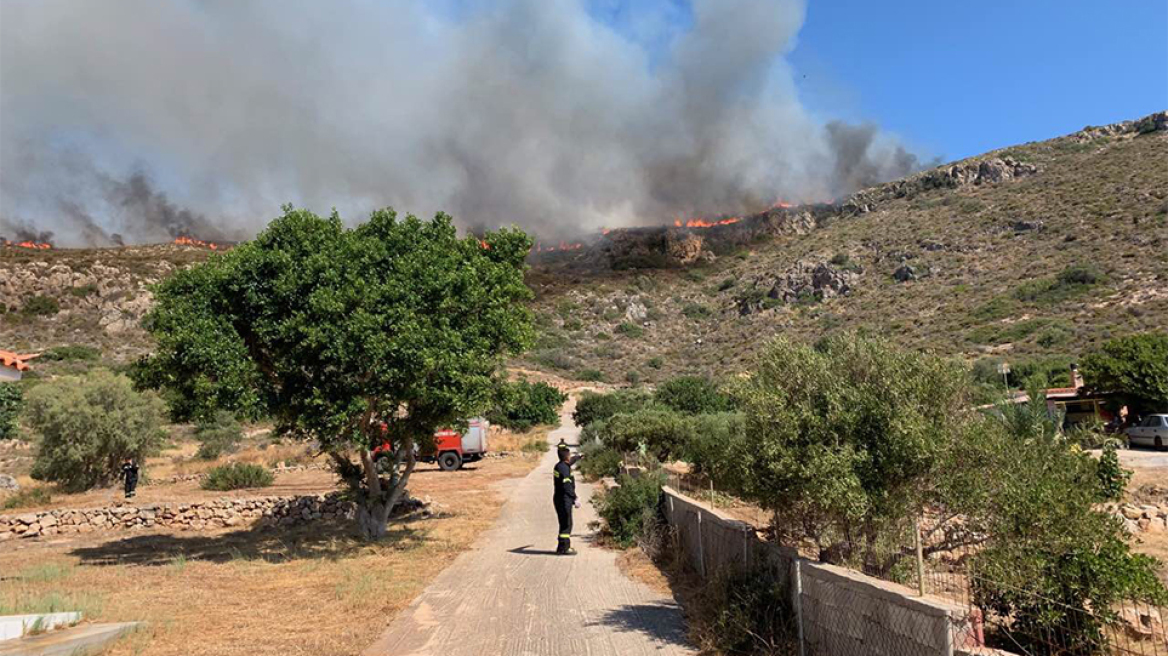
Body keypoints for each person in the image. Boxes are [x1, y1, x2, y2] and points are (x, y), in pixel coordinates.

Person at [553, 443, 583, 555]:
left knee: (563, 523)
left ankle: (561, 547)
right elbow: (567, 486)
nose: (570, 457)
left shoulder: (560, 465)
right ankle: (565, 548)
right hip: (564, 499)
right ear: (566, 457)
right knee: (567, 524)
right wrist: (575, 497)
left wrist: (579, 456)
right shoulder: (565, 469)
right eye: (569, 455)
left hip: (559, 498)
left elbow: (570, 461)